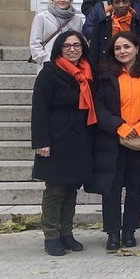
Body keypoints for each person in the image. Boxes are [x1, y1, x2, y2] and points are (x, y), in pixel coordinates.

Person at [88, 32, 140, 252]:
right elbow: (99, 106)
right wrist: (119, 127)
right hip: (112, 140)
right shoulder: (105, 76)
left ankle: (130, 231)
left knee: (136, 188)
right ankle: (112, 233)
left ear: (137, 48)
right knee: (111, 189)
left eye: (126, 47)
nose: (122, 52)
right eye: (117, 48)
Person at [30, 31, 96, 256]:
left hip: (78, 137)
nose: (72, 49)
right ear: (59, 48)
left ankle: (67, 233)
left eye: (76, 45)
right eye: (67, 45)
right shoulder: (49, 73)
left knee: (71, 187)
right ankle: (51, 235)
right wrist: (42, 141)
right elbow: (39, 109)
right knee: (55, 188)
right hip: (56, 137)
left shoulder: (87, 72)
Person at [84, 0, 140, 73]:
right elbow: (94, 53)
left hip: (133, 70)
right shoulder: (102, 24)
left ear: (130, 3)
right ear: (112, 4)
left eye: (125, 2)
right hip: (107, 70)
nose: (121, 5)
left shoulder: (138, 24)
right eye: (117, 2)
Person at [30, 0, 84, 66]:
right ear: (52, 0)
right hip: (49, 62)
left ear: (70, 0)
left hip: (71, 63)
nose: (62, 0)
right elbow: (35, 42)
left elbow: (80, 41)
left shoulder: (77, 20)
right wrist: (44, 59)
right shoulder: (41, 17)